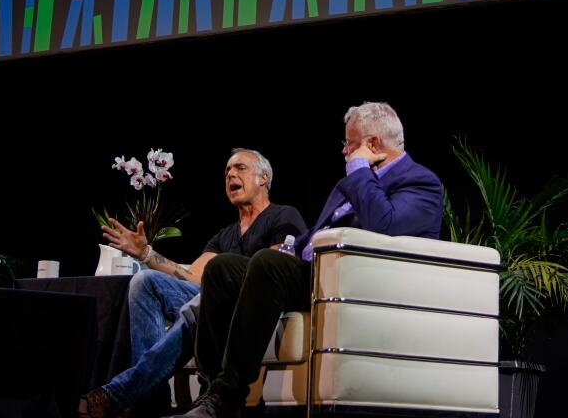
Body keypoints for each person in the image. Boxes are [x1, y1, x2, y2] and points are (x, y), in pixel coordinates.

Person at [177, 103, 442, 418]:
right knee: (222, 268)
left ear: (372, 145)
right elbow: (318, 233)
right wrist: (292, 249)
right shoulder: (355, 181)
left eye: (350, 143)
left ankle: (229, 393)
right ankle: (211, 393)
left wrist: (359, 169)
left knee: (266, 263)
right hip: (314, 273)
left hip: (351, 282)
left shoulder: (420, 182)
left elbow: (382, 224)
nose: (345, 151)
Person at [86, 149, 305, 418]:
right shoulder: (224, 236)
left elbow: (274, 275)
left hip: (254, 303)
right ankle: (151, 402)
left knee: (202, 302)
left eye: (240, 168)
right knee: (146, 281)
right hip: (214, 296)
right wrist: (147, 254)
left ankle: (124, 391)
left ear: (263, 177)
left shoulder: (283, 216)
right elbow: (195, 277)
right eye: (227, 172)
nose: (231, 175)